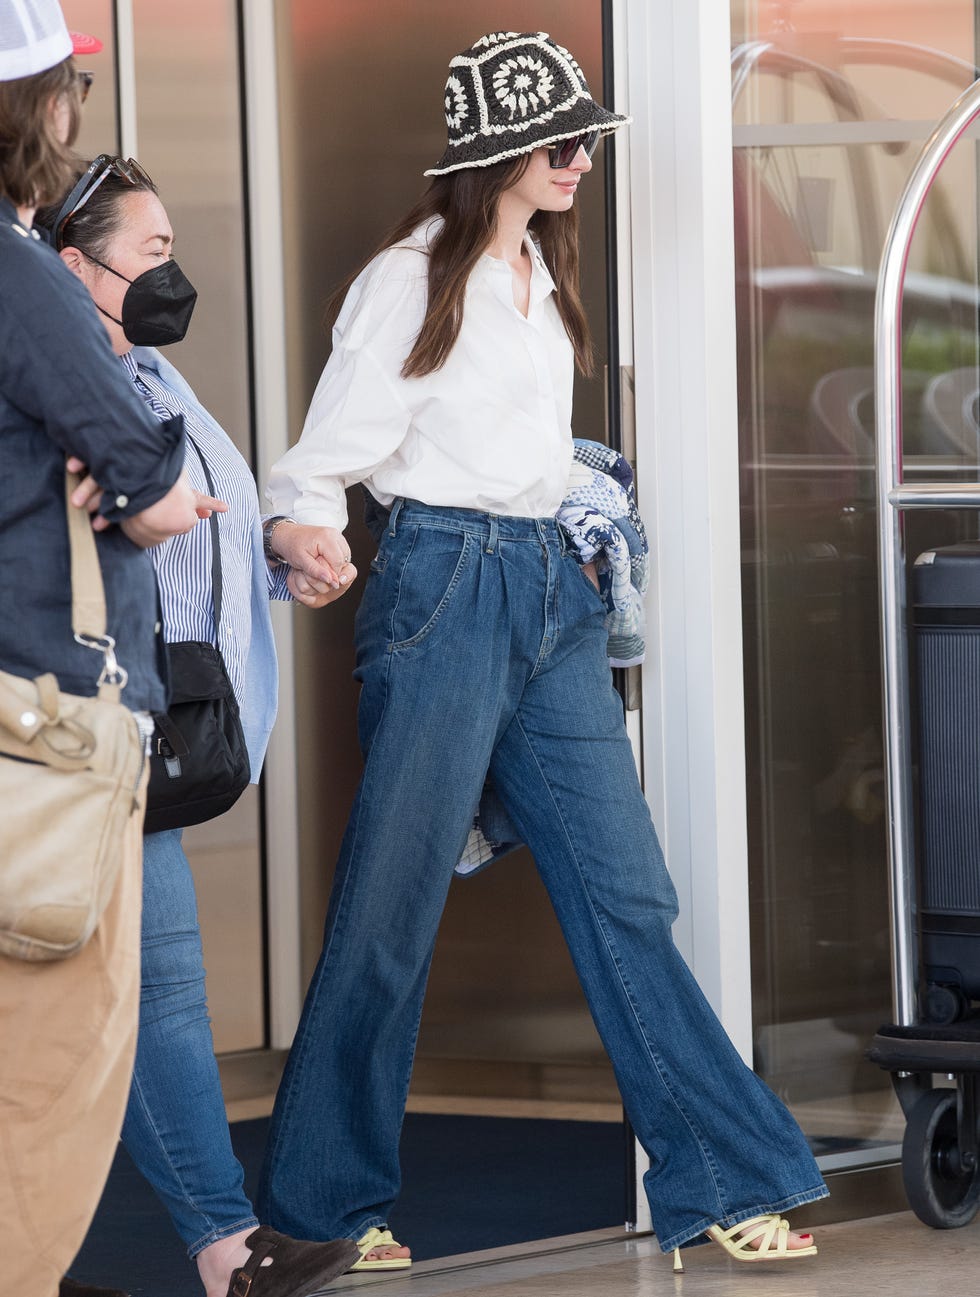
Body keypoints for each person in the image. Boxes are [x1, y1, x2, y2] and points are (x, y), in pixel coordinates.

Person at [256, 31, 830, 1270]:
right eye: (559, 140)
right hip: (442, 583)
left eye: (585, 139)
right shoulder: (412, 279)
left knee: (626, 891)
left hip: (545, 592)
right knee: (389, 909)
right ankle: (323, 1208)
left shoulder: (537, 269)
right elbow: (325, 450)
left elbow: (521, 443)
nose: (579, 159)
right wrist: (298, 524)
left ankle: (719, 1176)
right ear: (492, 153)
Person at [42, 157, 363, 1297]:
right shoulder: (56, 374)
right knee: (110, 993)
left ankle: (224, 1249)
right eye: (153, 253)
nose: (173, 275)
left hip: (132, 731)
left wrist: (278, 548)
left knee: (161, 988)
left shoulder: (152, 374)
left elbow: (194, 524)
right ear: (73, 268)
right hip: (63, 730)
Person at [0, 6, 222, 1297]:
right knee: (46, 1067)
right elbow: (142, 468)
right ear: (40, 106)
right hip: (34, 721)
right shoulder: (22, 275)